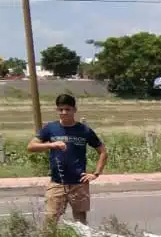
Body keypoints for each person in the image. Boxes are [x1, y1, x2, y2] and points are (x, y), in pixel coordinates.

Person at [27, 93, 106, 224]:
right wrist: (52, 144)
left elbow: (102, 152)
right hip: (57, 183)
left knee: (81, 223)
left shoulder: (84, 130)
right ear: (57, 110)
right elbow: (30, 146)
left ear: (74, 110)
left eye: (67, 109)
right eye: (60, 109)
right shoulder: (50, 128)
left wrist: (95, 174)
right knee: (50, 221)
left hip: (79, 184)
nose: (64, 112)